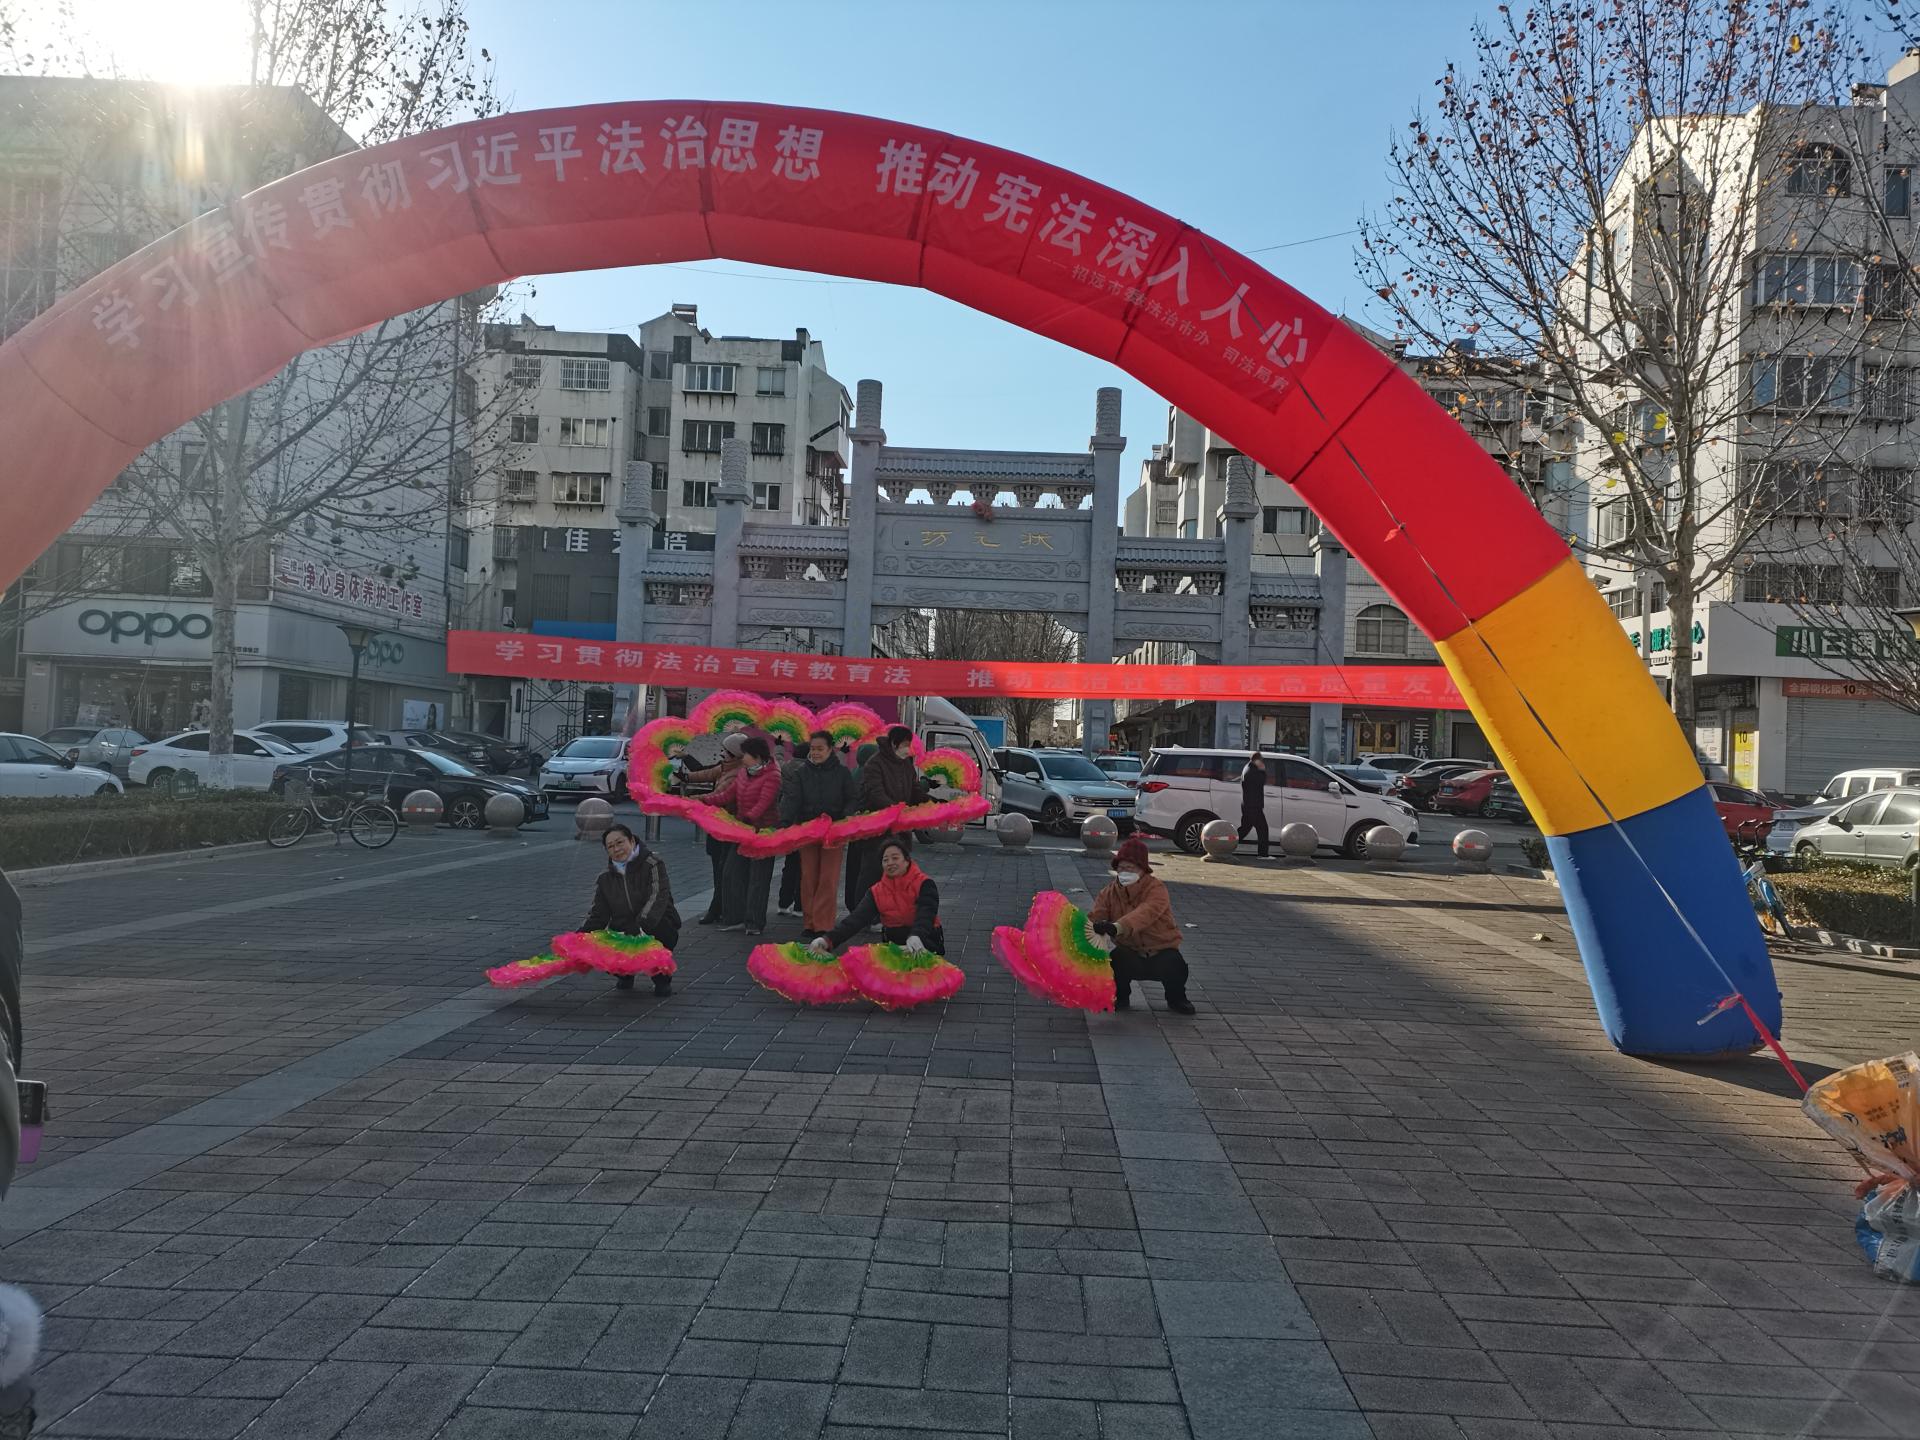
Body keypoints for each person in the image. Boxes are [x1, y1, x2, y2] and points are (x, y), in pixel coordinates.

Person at [1089, 837, 1195, 1014]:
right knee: (1116, 960)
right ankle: (1120, 997)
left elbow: (1147, 912)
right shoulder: (1108, 893)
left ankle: (1177, 998)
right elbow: (1096, 916)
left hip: (1161, 950)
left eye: (1130, 868)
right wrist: (1094, 927)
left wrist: (1117, 927)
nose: (1124, 872)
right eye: (1121, 868)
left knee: (1175, 965)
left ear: (1142, 870)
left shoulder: (1156, 888)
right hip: (1130, 951)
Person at [579, 823, 680, 995]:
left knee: (657, 931)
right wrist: (581, 936)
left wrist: (641, 926)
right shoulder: (605, 879)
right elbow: (598, 914)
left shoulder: (652, 864)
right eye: (611, 846)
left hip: (656, 926)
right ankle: (624, 972)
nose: (616, 849)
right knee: (600, 943)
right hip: (624, 928)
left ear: (632, 841)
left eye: (620, 842)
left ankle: (661, 977)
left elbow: (657, 896)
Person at [810, 836, 944, 955]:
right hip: (894, 949)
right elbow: (856, 919)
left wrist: (916, 935)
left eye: (895, 858)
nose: (890, 863)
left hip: (924, 945)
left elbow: (926, 915)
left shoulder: (924, 883)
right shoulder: (876, 892)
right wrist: (828, 939)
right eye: (885, 860)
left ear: (907, 860)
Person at [780, 730, 856, 938]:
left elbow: (852, 798)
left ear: (830, 749)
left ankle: (823, 924)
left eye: (820, 749)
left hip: (834, 832)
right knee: (808, 877)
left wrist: (845, 817)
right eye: (813, 749)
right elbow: (792, 800)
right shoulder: (801, 773)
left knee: (828, 879)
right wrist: (784, 823)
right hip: (808, 830)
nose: (815, 753)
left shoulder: (842, 773)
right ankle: (810, 922)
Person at [850, 726, 930, 911]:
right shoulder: (875, 764)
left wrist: (933, 803)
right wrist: (897, 811)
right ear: (894, 744)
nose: (908, 748)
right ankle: (862, 914)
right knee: (872, 873)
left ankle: (889, 913)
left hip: (900, 832)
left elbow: (915, 791)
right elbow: (875, 794)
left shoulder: (906, 765)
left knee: (897, 874)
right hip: (878, 831)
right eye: (905, 744)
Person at [706, 736, 781, 935]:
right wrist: (703, 800)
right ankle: (735, 918)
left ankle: (754, 923)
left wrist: (749, 819)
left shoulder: (773, 775)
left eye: (746, 754)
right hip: (742, 832)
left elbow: (764, 803)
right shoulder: (743, 773)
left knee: (758, 879)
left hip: (763, 833)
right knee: (731, 873)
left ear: (756, 756)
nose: (743, 757)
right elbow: (726, 795)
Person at [679, 733, 748, 924]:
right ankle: (720, 907)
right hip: (718, 826)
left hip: (726, 827)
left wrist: (686, 801)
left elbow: (717, 797)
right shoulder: (727, 767)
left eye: (725, 750)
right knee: (719, 868)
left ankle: (719, 908)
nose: (722, 753)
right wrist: (685, 776)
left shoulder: (735, 774)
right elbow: (706, 772)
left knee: (723, 871)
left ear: (734, 753)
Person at [1237, 752, 1271, 859]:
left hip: (1249, 805)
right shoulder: (1253, 771)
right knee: (1263, 829)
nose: (1262, 762)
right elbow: (1261, 781)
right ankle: (1263, 854)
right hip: (1253, 806)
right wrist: (1262, 770)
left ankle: (1225, 845)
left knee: (1244, 829)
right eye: (1261, 760)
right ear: (1256, 760)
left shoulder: (1248, 768)